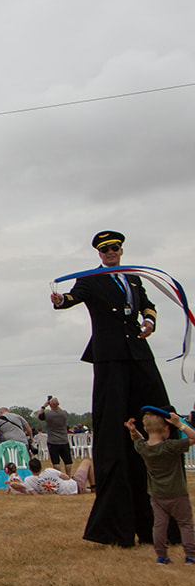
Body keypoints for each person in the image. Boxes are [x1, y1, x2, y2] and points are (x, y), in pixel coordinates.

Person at [52, 230, 172, 547]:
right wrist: (60, 299)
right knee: (113, 435)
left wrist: (149, 322)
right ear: (99, 254)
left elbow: (148, 305)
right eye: (105, 250)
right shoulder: (90, 280)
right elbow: (71, 299)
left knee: (160, 416)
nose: (111, 253)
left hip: (139, 355)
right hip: (110, 359)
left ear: (121, 250)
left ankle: (163, 524)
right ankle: (116, 525)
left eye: (115, 248)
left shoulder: (133, 279)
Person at [126, 409, 195, 564]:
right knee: (185, 524)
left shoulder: (144, 448)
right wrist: (180, 424)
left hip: (157, 495)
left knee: (159, 525)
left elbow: (138, 440)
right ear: (166, 428)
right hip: (178, 493)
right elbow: (193, 437)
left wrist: (133, 431)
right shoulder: (171, 446)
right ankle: (191, 556)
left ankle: (162, 556)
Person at [39, 396, 74, 476]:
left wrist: (44, 406)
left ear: (50, 405)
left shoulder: (48, 414)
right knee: (67, 461)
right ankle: (68, 476)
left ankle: (60, 476)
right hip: (64, 440)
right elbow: (60, 410)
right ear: (58, 404)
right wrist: (56, 405)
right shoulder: (64, 414)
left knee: (56, 461)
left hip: (53, 441)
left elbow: (39, 416)